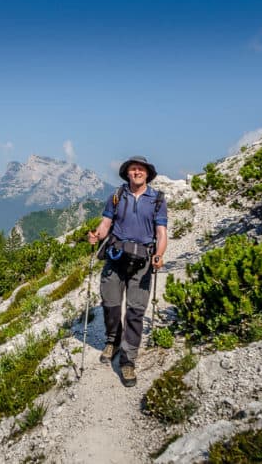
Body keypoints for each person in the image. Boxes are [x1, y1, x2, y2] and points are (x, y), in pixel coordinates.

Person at [88, 155, 167, 387]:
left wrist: (159, 255)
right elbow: (105, 224)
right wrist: (96, 235)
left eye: (140, 169)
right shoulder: (116, 196)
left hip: (142, 261)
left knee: (135, 311)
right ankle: (113, 340)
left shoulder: (158, 199)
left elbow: (161, 233)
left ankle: (128, 360)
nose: (136, 172)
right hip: (116, 256)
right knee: (110, 304)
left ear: (147, 173)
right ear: (127, 173)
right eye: (133, 169)